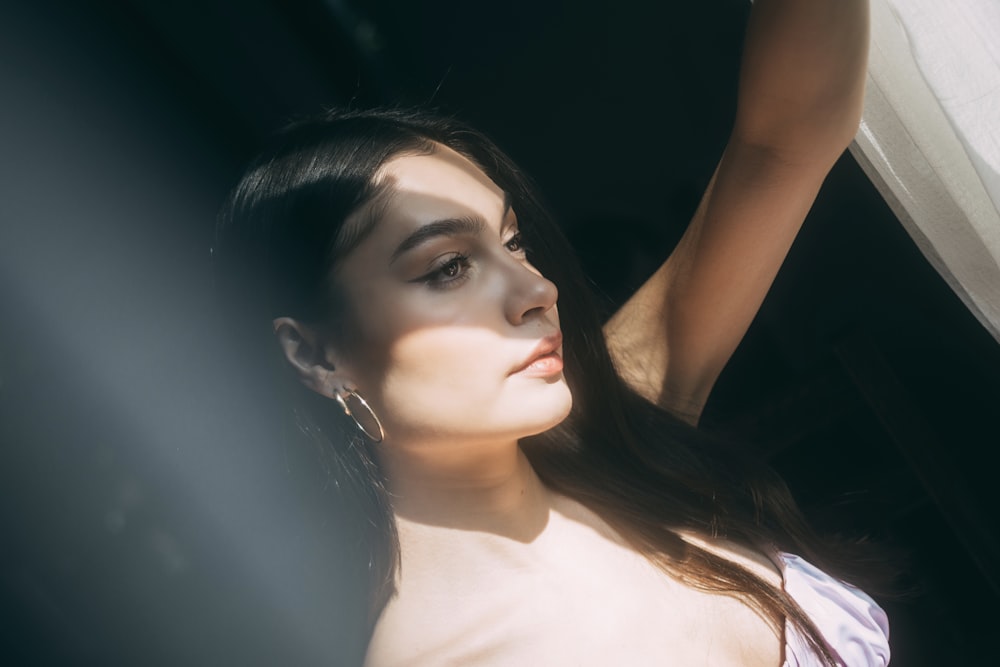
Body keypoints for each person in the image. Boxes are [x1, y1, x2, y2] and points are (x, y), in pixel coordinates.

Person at [214, 0, 891, 664]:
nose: (539, 290)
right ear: (314, 353)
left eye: (513, 242)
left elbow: (784, 142)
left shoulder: (603, 439)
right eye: (449, 266)